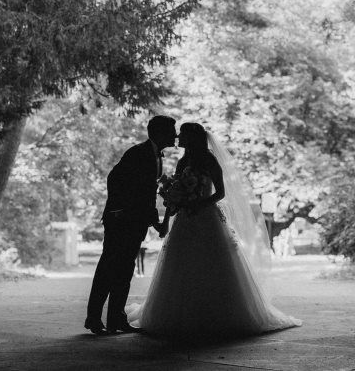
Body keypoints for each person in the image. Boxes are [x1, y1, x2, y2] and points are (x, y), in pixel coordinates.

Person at [127, 122, 301, 340]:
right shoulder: (182, 162)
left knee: (212, 264)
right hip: (184, 219)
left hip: (206, 217)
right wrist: (167, 218)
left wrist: (200, 204)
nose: (178, 137)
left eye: (182, 134)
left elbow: (220, 192)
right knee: (182, 266)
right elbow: (176, 193)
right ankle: (178, 315)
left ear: (192, 137)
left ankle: (219, 315)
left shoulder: (209, 160)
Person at [85, 115, 177, 335]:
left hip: (135, 222)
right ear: (160, 133)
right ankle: (94, 318)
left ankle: (117, 318)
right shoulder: (137, 153)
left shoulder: (155, 156)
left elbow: (147, 194)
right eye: (172, 131)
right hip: (121, 221)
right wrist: (120, 210)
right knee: (108, 268)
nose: (175, 135)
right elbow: (114, 179)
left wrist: (152, 219)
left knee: (125, 271)